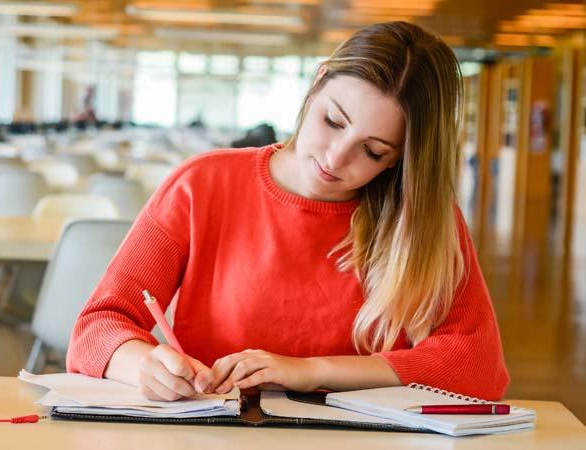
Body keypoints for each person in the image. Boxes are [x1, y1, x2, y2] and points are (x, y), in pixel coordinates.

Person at [66, 21, 510, 402]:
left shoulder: (421, 218)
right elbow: (97, 329)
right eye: (332, 121)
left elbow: (476, 366)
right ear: (317, 82)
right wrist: (143, 365)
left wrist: (310, 370)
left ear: (400, 159)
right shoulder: (202, 184)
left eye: (373, 151)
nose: (335, 159)